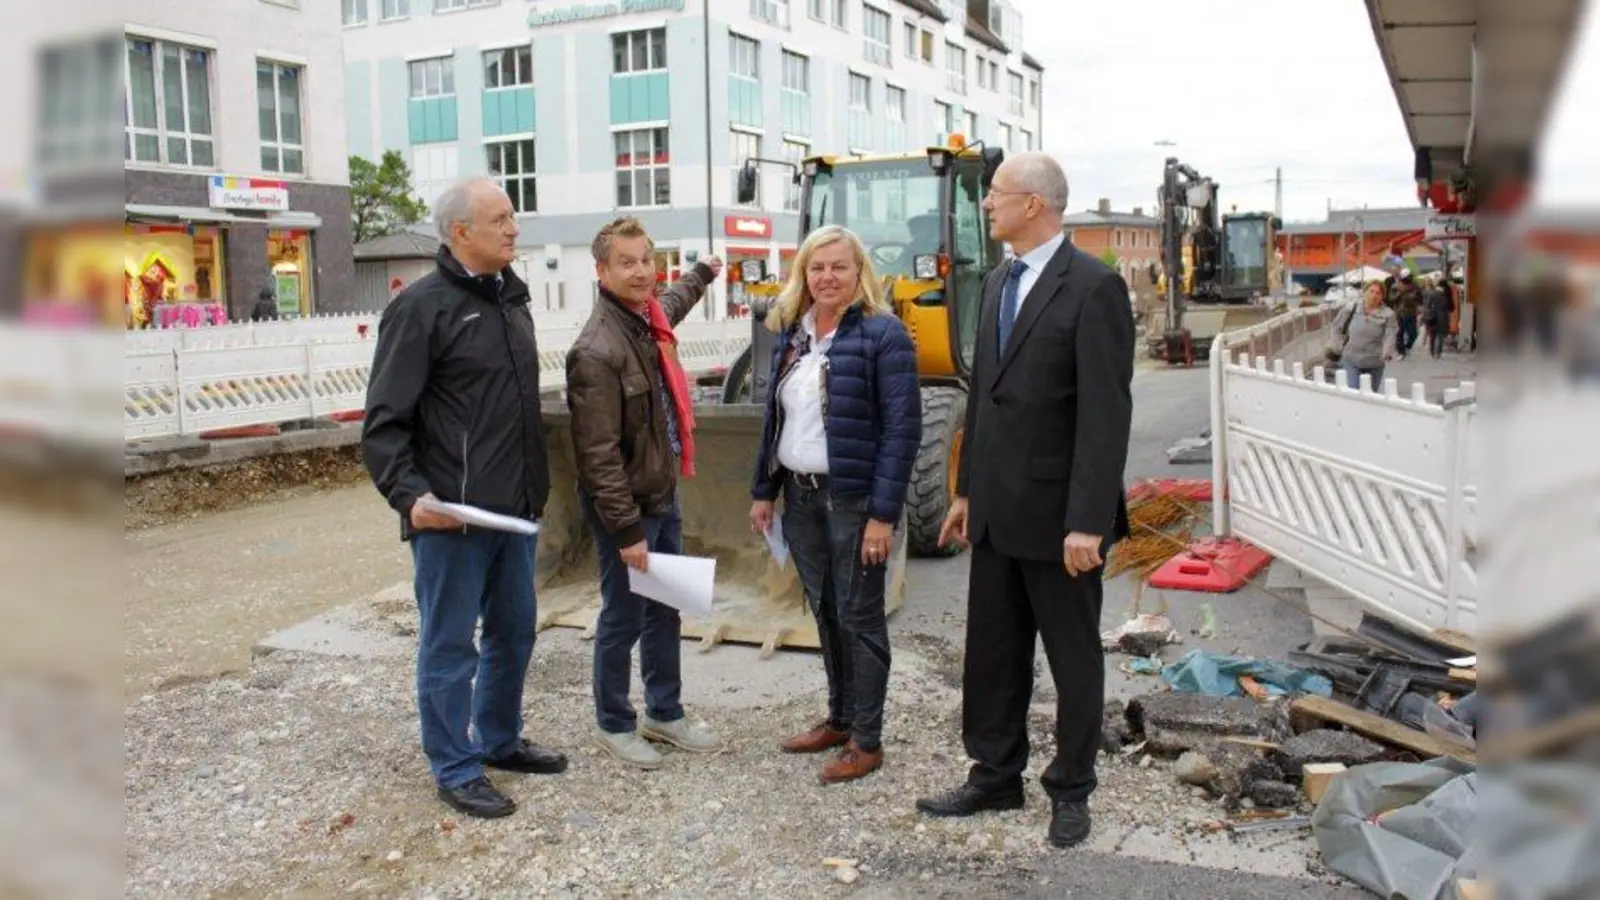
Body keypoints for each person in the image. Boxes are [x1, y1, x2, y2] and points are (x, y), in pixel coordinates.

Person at [913, 153, 1135, 849]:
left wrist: (1087, 522)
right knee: (994, 654)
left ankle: (1071, 789)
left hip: (1061, 521)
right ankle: (995, 776)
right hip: (998, 512)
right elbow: (984, 395)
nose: (988, 206)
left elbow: (1106, 415)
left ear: (1034, 204)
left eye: (998, 195)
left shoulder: (1094, 288)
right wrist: (966, 490)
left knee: (1073, 661)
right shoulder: (1001, 281)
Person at [361, 178, 565, 819]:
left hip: (512, 511)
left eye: (513, 217)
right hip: (450, 515)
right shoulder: (422, 308)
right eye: (500, 218)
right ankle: (454, 765)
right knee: (450, 644)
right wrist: (408, 495)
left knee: (514, 631)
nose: (514, 228)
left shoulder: (512, 302)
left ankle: (498, 739)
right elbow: (384, 421)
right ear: (460, 232)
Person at [747, 225, 922, 784]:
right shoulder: (793, 336)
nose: (826, 277)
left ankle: (867, 740)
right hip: (801, 497)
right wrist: (763, 490)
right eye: (816, 267)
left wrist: (882, 515)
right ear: (804, 274)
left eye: (838, 267)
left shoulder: (883, 334)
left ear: (858, 273)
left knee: (860, 617)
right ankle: (840, 718)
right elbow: (776, 420)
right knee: (824, 610)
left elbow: (902, 431)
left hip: (854, 501)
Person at [566, 218, 724, 770]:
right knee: (623, 617)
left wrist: (704, 273)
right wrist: (627, 531)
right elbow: (597, 455)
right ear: (602, 271)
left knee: (666, 610)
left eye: (646, 260)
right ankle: (613, 722)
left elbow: (673, 299)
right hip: (627, 509)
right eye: (626, 262)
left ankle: (664, 712)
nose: (640, 272)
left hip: (661, 494)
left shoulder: (645, 319)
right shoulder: (596, 349)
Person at [1333, 280, 1398, 391]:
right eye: (1371, 291)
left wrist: (1386, 352)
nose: (1374, 295)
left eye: (1378, 293)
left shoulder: (1388, 314)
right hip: (1351, 358)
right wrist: (1339, 347)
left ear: (1382, 296)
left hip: (1374, 361)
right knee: (1354, 390)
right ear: (1364, 293)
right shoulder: (1351, 308)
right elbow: (1336, 327)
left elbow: (1390, 335)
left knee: (1370, 395)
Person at [1422, 273, 1454, 360]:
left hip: (1433, 317)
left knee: (1432, 335)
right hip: (1443, 317)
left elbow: (1427, 306)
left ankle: (1432, 352)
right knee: (1440, 336)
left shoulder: (1432, 294)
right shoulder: (1446, 295)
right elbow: (1450, 306)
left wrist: (1426, 316)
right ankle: (1438, 353)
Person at [1392, 270, 1422, 358]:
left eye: (1409, 277)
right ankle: (1401, 351)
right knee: (1399, 333)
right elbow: (1391, 298)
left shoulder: (1415, 286)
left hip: (1411, 313)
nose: (1408, 279)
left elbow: (1420, 298)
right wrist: (1400, 293)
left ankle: (1407, 347)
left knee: (1414, 334)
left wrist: (1415, 297)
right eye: (1406, 277)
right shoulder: (1396, 286)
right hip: (1399, 313)